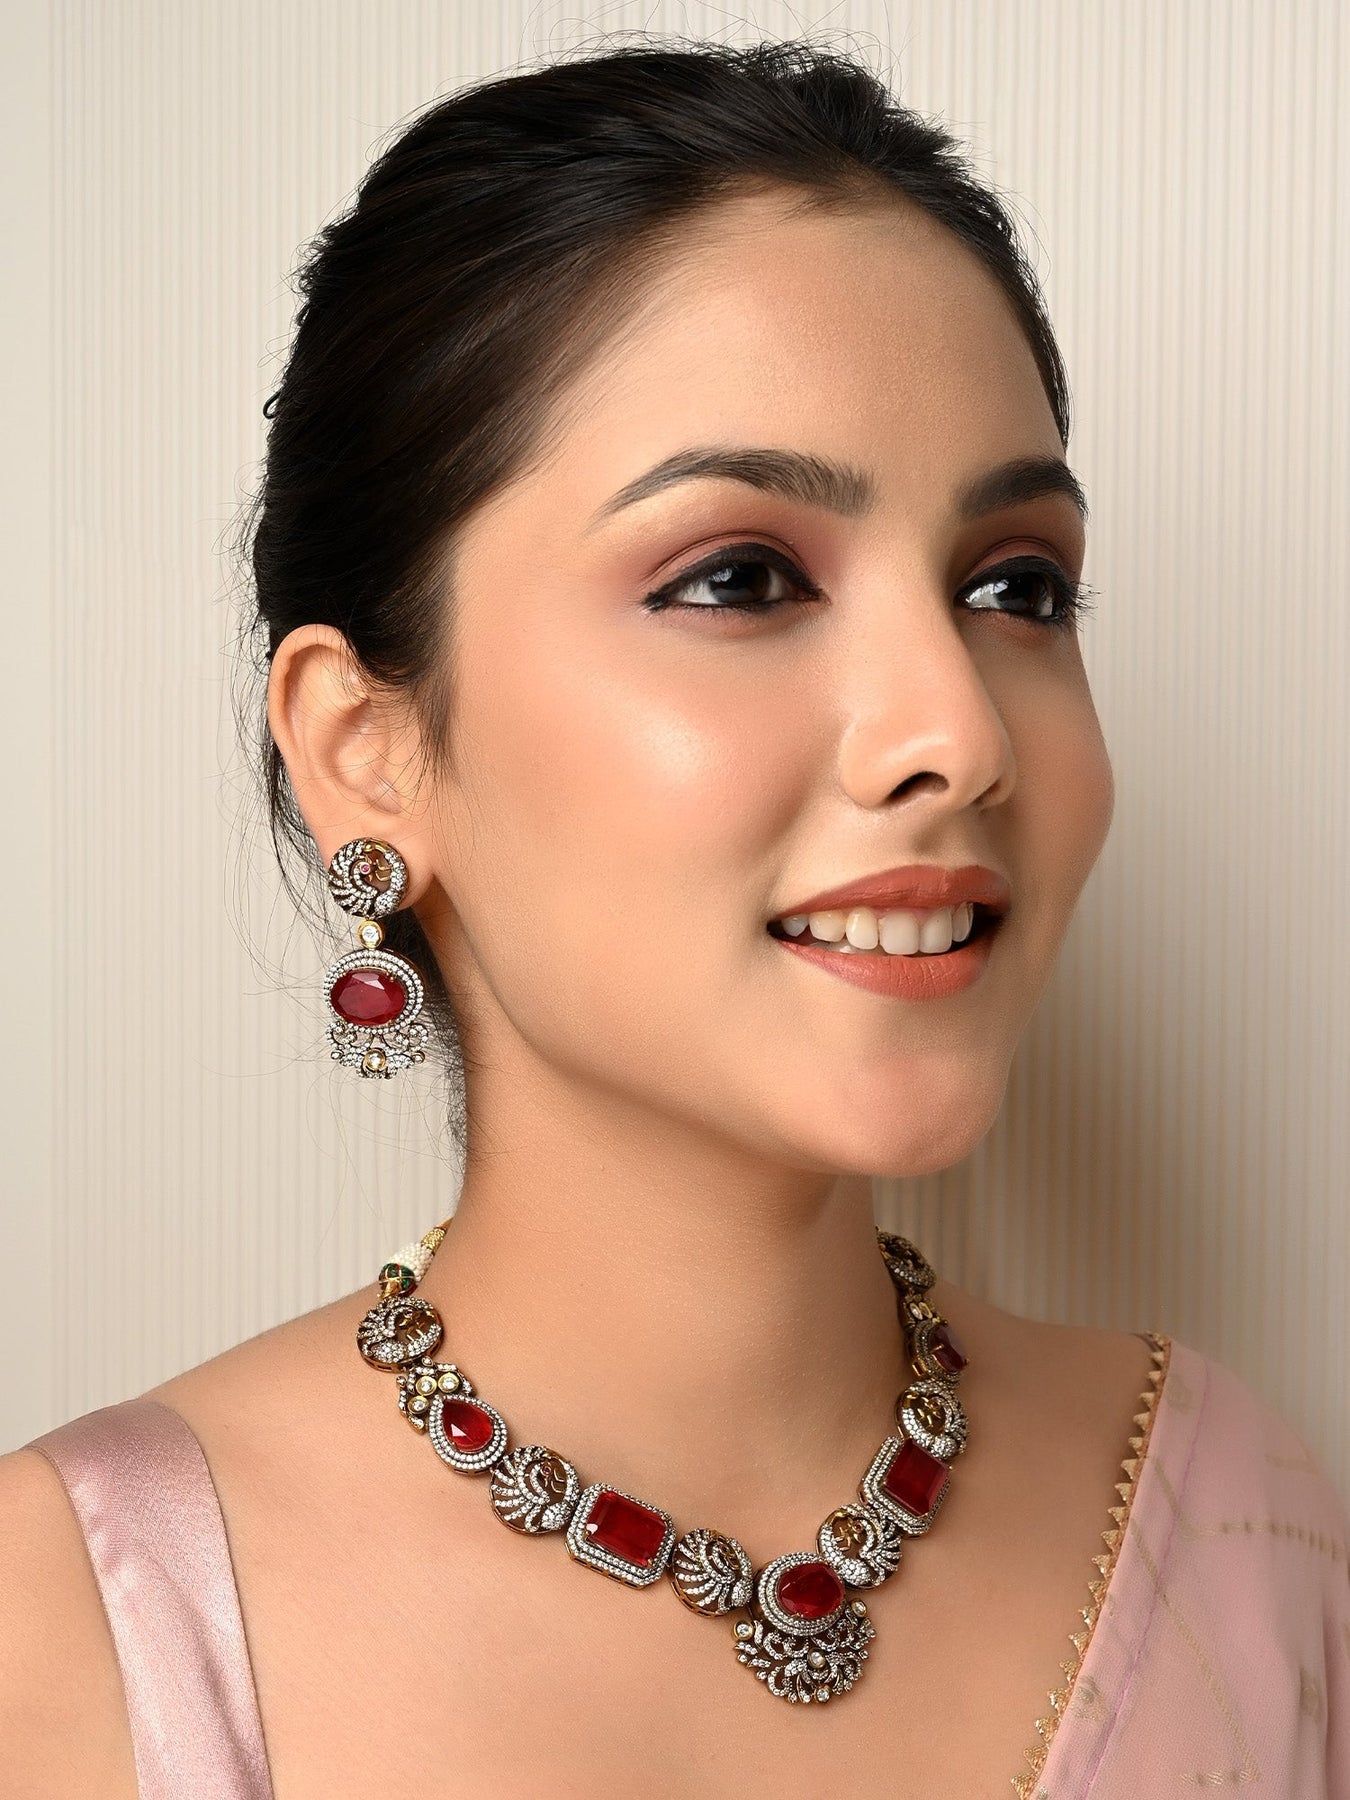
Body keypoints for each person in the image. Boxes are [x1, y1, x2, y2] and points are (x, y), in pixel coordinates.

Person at [2, 36, 1346, 1800]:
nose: (956, 732)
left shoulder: (1238, 1529)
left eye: (1015, 587)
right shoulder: (76, 1624)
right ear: (366, 750)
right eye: (739, 578)